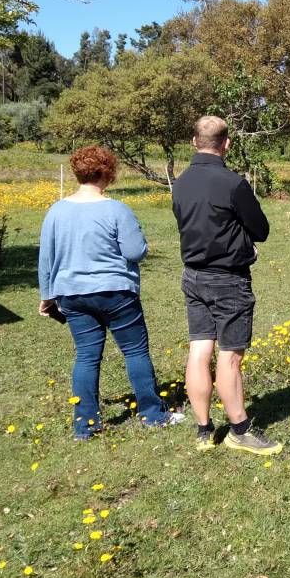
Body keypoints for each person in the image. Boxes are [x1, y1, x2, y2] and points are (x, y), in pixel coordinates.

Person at [38, 146, 183, 440]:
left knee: (87, 357)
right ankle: (153, 414)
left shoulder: (56, 210)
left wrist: (47, 295)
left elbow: (47, 258)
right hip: (117, 292)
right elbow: (134, 251)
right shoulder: (117, 209)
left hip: (72, 295)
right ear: (108, 173)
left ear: (78, 172)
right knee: (135, 351)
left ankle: (86, 425)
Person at [172, 115, 281, 455]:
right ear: (227, 144)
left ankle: (204, 430)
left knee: (199, 350)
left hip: (192, 276)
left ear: (194, 142)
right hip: (227, 279)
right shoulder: (233, 183)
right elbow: (260, 229)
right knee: (230, 356)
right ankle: (239, 430)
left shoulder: (181, 182)